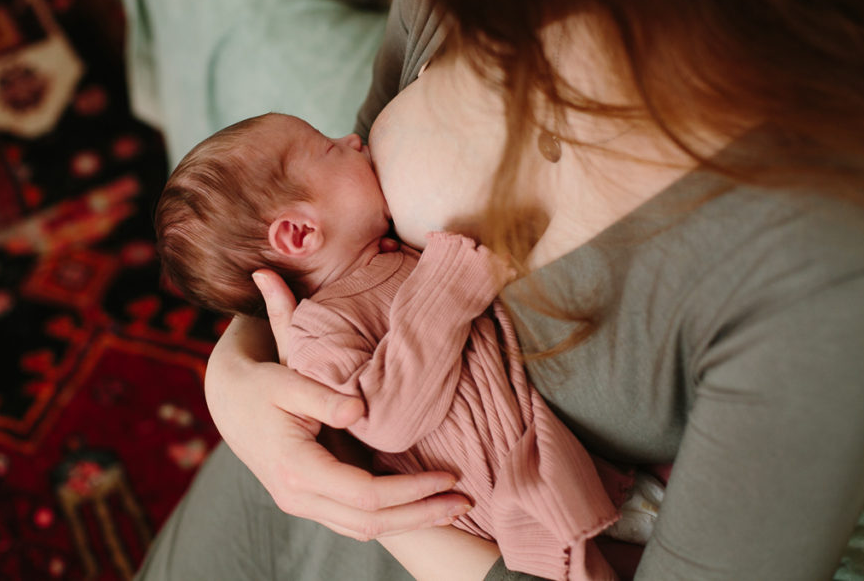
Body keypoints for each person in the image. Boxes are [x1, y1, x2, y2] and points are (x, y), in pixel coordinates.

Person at [137, 0, 864, 579]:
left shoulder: (819, 261)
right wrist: (232, 380)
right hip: (292, 476)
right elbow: (334, 243)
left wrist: (352, 474)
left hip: (497, 538)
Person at [153, 112, 667, 579]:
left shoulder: (385, 259)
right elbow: (383, 416)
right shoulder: (316, 333)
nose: (353, 138)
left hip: (558, 455)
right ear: (298, 232)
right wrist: (450, 284)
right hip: (510, 500)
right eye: (330, 149)